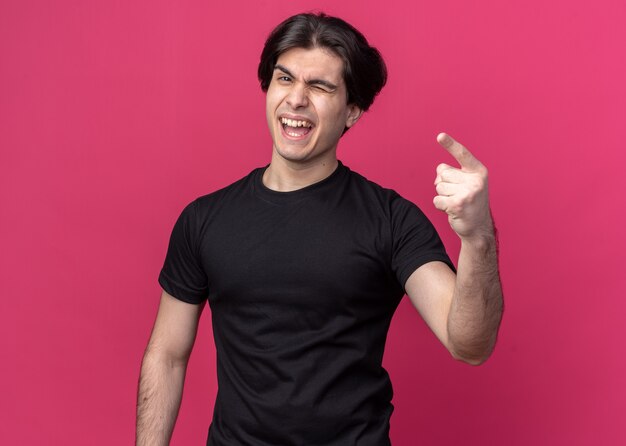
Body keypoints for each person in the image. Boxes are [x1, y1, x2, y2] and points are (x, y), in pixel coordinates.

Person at [136, 12, 503, 446]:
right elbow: (168, 355)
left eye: (320, 86)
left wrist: (478, 237)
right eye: (285, 79)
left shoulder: (391, 219)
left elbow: (469, 344)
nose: (296, 99)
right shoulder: (204, 219)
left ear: (352, 111)